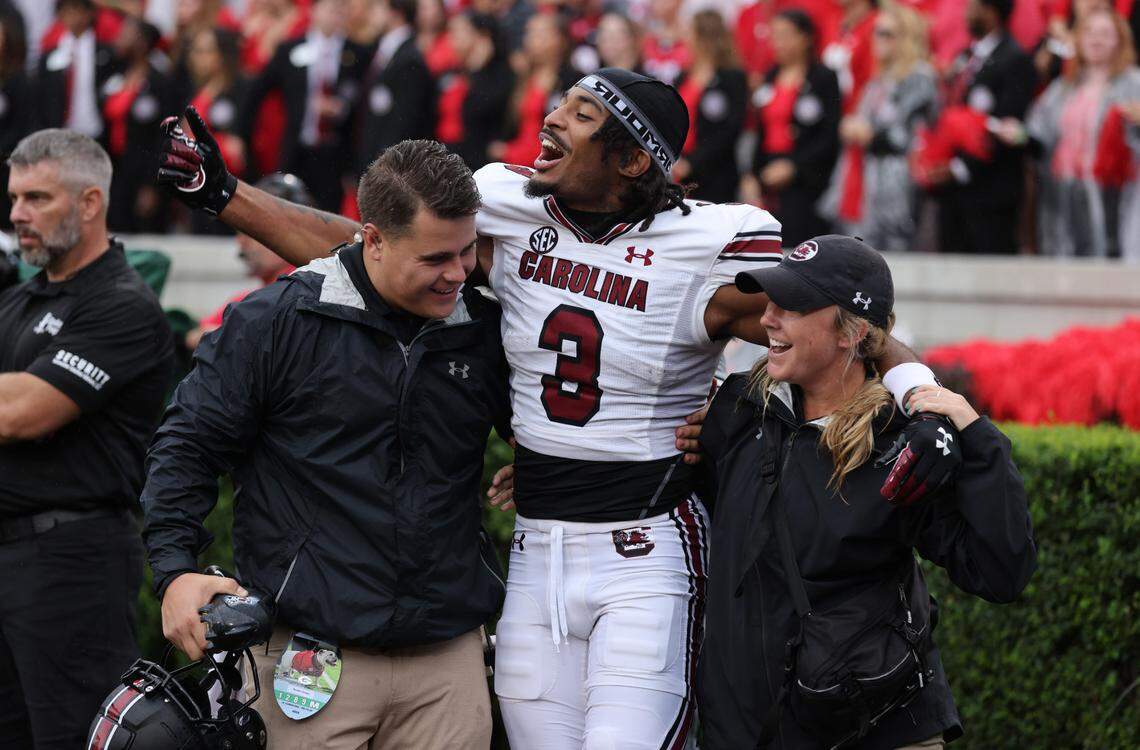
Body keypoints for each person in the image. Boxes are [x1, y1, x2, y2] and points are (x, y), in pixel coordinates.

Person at [155, 66, 954, 748]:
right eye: (561, 101)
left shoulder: (710, 242)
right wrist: (226, 195)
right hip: (539, 549)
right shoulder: (505, 204)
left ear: (635, 157)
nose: (551, 118)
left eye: (581, 114)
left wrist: (921, 391)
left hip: (647, 549)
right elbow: (375, 251)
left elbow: (840, 322)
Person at [143, 140, 511, 749]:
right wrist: (175, 572)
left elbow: (552, 420)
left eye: (468, 250)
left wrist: (541, 455)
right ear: (373, 240)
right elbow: (186, 445)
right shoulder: (273, 322)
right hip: (306, 656)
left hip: (447, 659)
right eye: (436, 257)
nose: (458, 272)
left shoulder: (481, 327)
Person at [697, 234, 1037, 749]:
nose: (767, 318)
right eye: (771, 300)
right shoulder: (741, 410)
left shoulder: (908, 446)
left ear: (849, 332)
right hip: (745, 735)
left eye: (792, 305)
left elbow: (1000, 571)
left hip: (875, 730)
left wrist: (977, 437)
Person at [0, 129, 174, 749]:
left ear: (91, 203)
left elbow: (20, 411)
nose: (17, 213)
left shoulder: (123, 304)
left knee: (71, 739)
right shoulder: (21, 300)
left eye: (37, 198)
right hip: (14, 558)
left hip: (71, 562)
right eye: (16, 197)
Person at [1023, 7, 1140, 257]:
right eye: (1089, 32)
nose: (1096, 40)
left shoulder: (1134, 84)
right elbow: (1037, 133)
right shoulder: (1063, 87)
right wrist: (1018, 134)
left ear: (1120, 40)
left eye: (1105, 33)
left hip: (1118, 197)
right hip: (1064, 196)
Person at [821, 1, 938, 251]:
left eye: (887, 33)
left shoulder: (919, 77)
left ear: (907, 38)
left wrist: (867, 133)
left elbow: (911, 136)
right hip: (866, 184)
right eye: (876, 31)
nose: (877, 39)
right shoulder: (877, 81)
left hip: (898, 191)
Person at [240, 0, 371, 211]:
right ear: (314, 10)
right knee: (288, 212)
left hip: (335, 154)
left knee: (328, 216)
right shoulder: (290, 49)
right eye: (330, 8)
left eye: (340, 8)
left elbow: (362, 100)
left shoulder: (358, 54)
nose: (335, 14)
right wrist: (242, 134)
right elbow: (256, 92)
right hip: (297, 149)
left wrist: (343, 107)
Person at [933, 0, 1036, 254]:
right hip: (954, 192)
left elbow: (1008, 125)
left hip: (992, 192)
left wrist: (959, 168)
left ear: (992, 11)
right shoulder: (966, 56)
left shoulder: (1015, 60)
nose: (966, 12)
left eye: (974, 5)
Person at [743, 9, 841, 247]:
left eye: (785, 36)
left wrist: (794, 167)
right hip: (769, 174)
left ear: (806, 38)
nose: (778, 44)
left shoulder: (823, 78)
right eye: (774, 36)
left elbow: (829, 134)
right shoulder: (770, 77)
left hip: (806, 178)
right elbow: (761, 132)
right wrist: (752, 174)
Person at [184, 172, 308, 350]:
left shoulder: (305, 293)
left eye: (252, 229)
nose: (241, 240)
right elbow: (194, 335)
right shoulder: (250, 300)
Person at [102, 16, 173, 233]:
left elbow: (164, 138)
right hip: (116, 171)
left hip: (143, 175)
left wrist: (152, 186)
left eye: (126, 34)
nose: (118, 38)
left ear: (142, 42)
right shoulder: (113, 76)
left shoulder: (160, 82)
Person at [673, 9, 748, 203]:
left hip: (716, 173)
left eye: (690, 32)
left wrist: (693, 162)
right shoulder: (683, 76)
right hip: (679, 169)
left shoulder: (731, 78)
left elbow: (731, 129)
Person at [436, 11, 515, 170]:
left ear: (482, 37)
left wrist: (477, 70)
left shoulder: (501, 75)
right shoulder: (450, 72)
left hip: (478, 162)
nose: (452, 39)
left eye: (459, 32)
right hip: (445, 156)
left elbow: (477, 113)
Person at [34, 0, 115, 138]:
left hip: (97, 132)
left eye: (77, 9)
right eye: (66, 10)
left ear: (90, 13)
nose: (72, 15)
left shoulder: (106, 53)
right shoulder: (49, 55)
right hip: (60, 133)